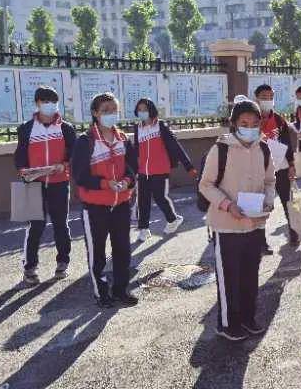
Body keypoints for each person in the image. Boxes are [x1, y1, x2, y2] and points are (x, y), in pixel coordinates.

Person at [199, 99, 275, 341]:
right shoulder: (220, 149)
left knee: (250, 276)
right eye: (244, 123)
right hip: (226, 226)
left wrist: (269, 201)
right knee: (229, 277)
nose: (250, 127)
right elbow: (206, 185)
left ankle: (247, 318)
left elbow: (269, 181)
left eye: (254, 123)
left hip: (254, 225)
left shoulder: (263, 149)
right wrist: (227, 205)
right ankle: (226, 324)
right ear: (234, 124)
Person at [72, 92, 138, 308]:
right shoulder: (86, 141)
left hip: (121, 204)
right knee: (97, 253)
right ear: (95, 113)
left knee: (122, 250)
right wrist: (104, 184)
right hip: (95, 207)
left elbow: (132, 167)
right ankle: (101, 293)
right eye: (105, 111)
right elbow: (79, 176)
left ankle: (120, 290)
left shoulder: (123, 138)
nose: (111, 114)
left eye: (114, 110)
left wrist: (128, 180)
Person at [14, 86, 76, 286]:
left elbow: (74, 154)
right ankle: (29, 268)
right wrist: (22, 170)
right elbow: (20, 155)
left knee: (61, 224)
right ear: (37, 104)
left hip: (59, 183)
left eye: (53, 102)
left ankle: (63, 263)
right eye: (45, 102)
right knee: (35, 226)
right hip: (34, 184)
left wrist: (64, 165)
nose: (50, 106)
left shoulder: (66, 128)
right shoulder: (26, 128)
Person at [132, 98, 197, 242]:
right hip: (143, 170)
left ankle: (173, 219)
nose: (142, 112)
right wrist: (134, 169)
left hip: (160, 169)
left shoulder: (160, 126)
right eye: (140, 109)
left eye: (145, 109)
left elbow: (175, 146)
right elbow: (137, 150)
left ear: (151, 110)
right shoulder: (138, 128)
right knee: (142, 200)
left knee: (160, 197)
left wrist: (189, 166)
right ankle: (143, 229)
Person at [254, 84, 298, 249]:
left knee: (288, 202)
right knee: (261, 205)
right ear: (256, 98)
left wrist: (292, 165)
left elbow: (287, 143)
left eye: (270, 97)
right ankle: (261, 243)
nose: (268, 101)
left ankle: (294, 234)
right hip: (258, 170)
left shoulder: (279, 120)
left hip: (280, 167)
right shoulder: (251, 119)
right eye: (264, 97)